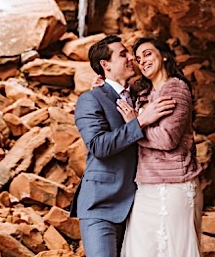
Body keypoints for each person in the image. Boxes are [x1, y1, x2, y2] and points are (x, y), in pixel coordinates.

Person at [74, 35, 176, 257]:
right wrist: (139, 122)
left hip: (141, 206)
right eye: (123, 54)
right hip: (102, 204)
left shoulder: (141, 95)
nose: (132, 58)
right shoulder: (90, 99)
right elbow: (98, 146)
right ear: (105, 65)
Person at [121, 37, 203, 257]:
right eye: (138, 58)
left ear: (164, 55)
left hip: (174, 184)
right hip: (146, 184)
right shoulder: (143, 94)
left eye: (148, 54)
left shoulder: (175, 89)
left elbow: (167, 140)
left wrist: (135, 125)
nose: (142, 61)